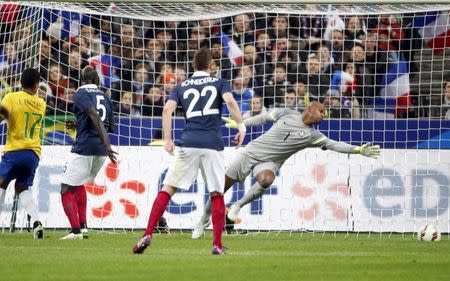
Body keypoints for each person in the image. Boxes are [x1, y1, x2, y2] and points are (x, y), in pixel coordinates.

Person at [192, 102, 380, 238]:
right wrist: (241, 124)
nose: (324, 116)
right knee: (219, 189)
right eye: (322, 112)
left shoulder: (313, 136)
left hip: (270, 163)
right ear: (310, 108)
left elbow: (334, 145)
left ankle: (238, 205)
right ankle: (203, 220)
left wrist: (358, 149)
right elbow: (263, 118)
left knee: (266, 180)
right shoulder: (286, 113)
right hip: (250, 153)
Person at [132, 47, 246, 255]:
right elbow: (230, 101)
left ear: (193, 66)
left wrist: (167, 139)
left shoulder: (181, 86)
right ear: (211, 65)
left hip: (188, 142)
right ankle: (217, 245)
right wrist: (241, 126)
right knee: (217, 193)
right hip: (212, 144)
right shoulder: (220, 82)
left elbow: (167, 109)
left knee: (168, 189)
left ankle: (147, 233)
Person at [59, 66, 117, 240]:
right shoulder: (106, 97)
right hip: (99, 151)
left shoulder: (81, 94)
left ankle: (75, 232)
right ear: (96, 80)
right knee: (78, 184)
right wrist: (80, 125)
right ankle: (83, 227)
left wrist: (107, 145)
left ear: (83, 80)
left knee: (65, 189)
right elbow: (111, 126)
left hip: (86, 147)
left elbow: (94, 116)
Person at [0, 68, 46, 239]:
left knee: (2, 184)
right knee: (22, 187)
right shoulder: (41, 103)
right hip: (33, 153)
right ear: (36, 85)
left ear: (20, 82)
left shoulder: (11, 97)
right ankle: (36, 223)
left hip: (14, 151)